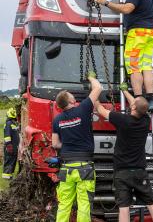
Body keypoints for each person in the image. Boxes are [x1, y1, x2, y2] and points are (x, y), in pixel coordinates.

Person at [94, 0, 153, 111]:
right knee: (147, 67)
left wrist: (105, 2)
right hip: (151, 34)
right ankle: (150, 100)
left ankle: (138, 101)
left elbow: (127, 9)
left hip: (137, 34)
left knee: (134, 68)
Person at [95, 83, 153, 222]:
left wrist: (94, 98)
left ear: (133, 108)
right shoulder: (146, 120)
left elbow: (101, 111)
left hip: (122, 173)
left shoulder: (122, 120)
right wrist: (126, 92)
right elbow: (138, 105)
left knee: (124, 208)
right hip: (140, 172)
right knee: (152, 204)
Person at [52, 72, 102, 222]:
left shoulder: (57, 120)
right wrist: (91, 77)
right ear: (71, 100)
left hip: (66, 168)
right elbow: (98, 88)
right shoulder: (84, 108)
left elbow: (55, 144)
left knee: (64, 204)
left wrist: (67, 144)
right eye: (70, 94)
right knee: (84, 205)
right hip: (84, 168)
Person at [2, 107, 20, 179]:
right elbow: (7, 136)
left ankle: (10, 176)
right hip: (10, 147)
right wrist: (9, 146)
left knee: (12, 161)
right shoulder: (8, 124)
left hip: (14, 147)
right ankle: (6, 176)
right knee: (9, 161)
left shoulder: (13, 123)